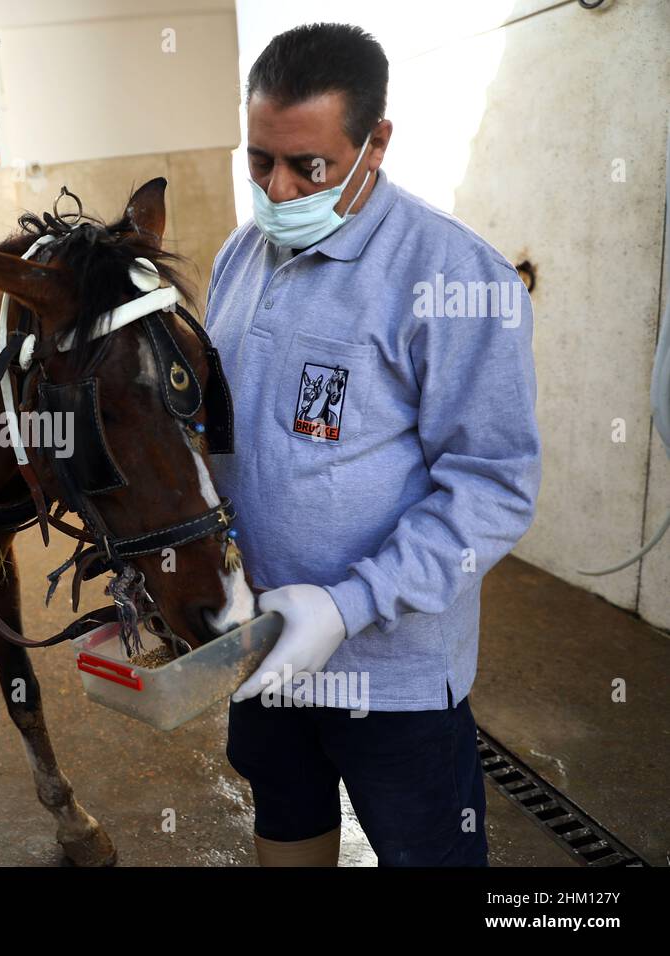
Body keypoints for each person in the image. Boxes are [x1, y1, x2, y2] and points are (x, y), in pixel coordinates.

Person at [207, 24, 541, 866]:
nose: (279, 190)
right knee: (286, 822)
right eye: (260, 162)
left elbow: (493, 488)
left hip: (395, 682)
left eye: (308, 166)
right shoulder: (237, 259)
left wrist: (347, 604)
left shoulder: (454, 276)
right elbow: (216, 445)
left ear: (376, 142)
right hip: (266, 654)